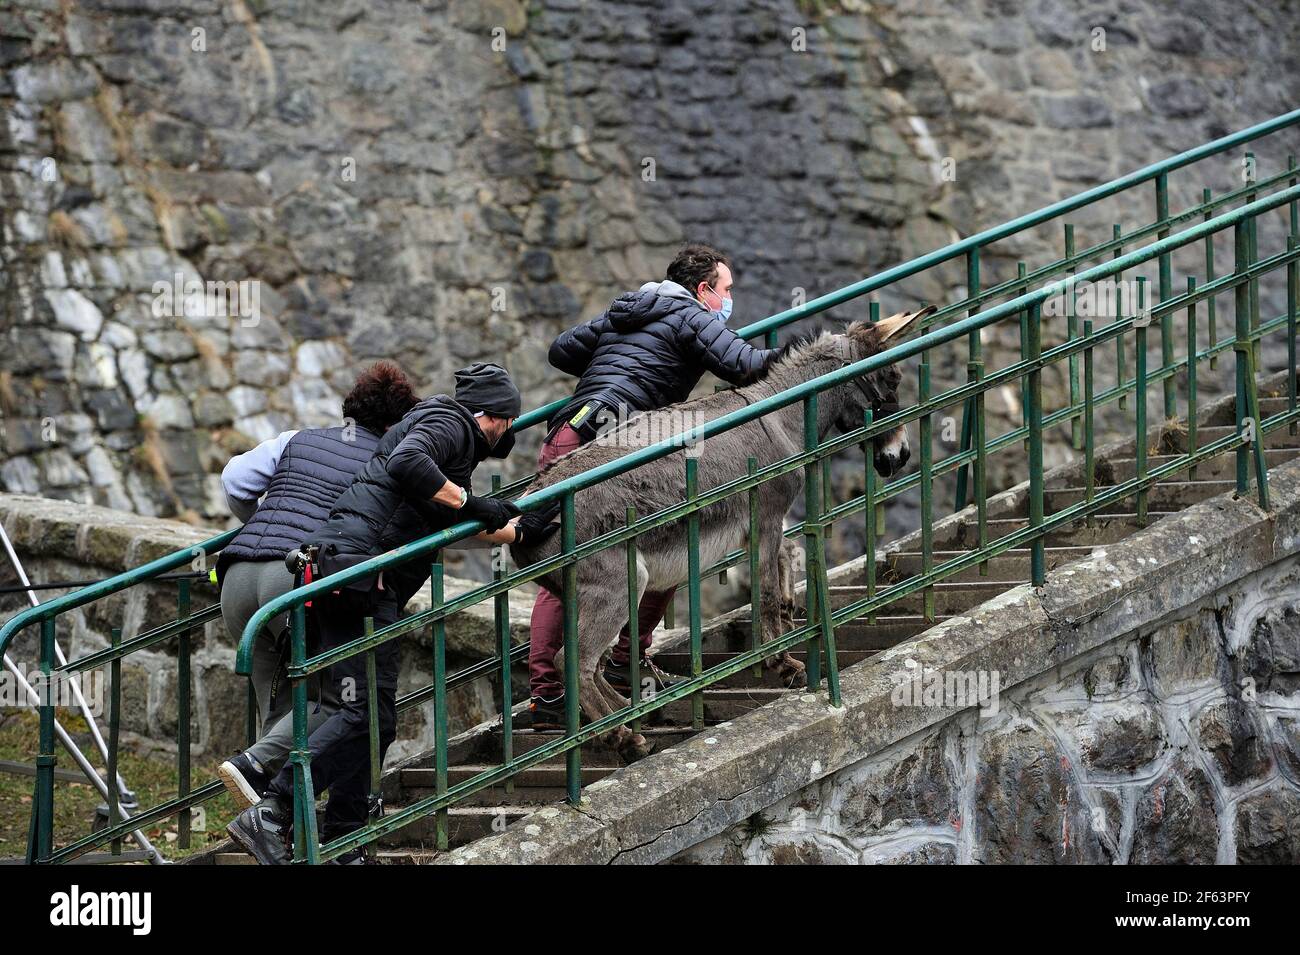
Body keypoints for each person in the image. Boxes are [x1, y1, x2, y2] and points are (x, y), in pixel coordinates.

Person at [226, 362, 559, 864]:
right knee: (355, 711)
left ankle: (344, 839)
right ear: (493, 415)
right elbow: (411, 464)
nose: (509, 433)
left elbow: (452, 514)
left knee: (374, 718)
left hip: (349, 576)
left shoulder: (449, 437)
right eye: (508, 421)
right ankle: (273, 806)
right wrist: (474, 501)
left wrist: (519, 526)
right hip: (356, 579)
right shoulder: (448, 423)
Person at [527, 243, 779, 728]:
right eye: (726, 291)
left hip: (570, 435)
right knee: (658, 544)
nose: (729, 302)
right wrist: (817, 359)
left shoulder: (630, 309)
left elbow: (562, 350)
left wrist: (620, 346)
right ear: (704, 289)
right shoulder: (692, 315)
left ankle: (555, 692)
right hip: (615, 450)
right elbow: (747, 365)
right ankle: (609, 667)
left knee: (587, 563)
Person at [216, 361, 419, 808]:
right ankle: (254, 765)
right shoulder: (396, 462)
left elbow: (234, 478)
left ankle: (272, 821)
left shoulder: (297, 439)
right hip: (296, 580)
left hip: (237, 575)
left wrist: (261, 526)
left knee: (280, 705)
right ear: (398, 423)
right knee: (338, 700)